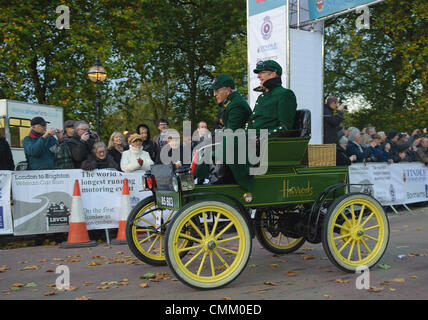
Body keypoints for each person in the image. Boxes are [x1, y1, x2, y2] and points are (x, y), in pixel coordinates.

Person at [210, 60, 297, 190]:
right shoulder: (263, 97)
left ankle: (219, 182)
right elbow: (252, 122)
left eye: (262, 73)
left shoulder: (285, 94)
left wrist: (262, 137)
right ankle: (217, 180)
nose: (258, 76)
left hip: (265, 144)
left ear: (273, 74)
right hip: (252, 141)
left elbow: (285, 127)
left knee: (232, 138)